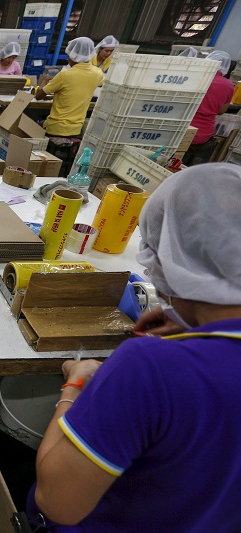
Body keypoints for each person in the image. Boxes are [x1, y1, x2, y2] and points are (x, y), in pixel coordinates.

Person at [28, 163, 241, 531]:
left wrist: (76, 385)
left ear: (173, 260)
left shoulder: (150, 366)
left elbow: (57, 502)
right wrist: (192, 318)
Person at [36, 37, 104, 137]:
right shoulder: (97, 73)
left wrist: (42, 85)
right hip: (76, 129)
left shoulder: (65, 74)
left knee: (33, 124)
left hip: (56, 127)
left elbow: (39, 96)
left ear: (73, 57)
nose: (68, 59)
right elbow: (101, 84)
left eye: (68, 56)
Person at [184, 50, 234, 166]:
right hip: (204, 134)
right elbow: (222, 111)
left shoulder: (197, 78)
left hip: (184, 129)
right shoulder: (228, 85)